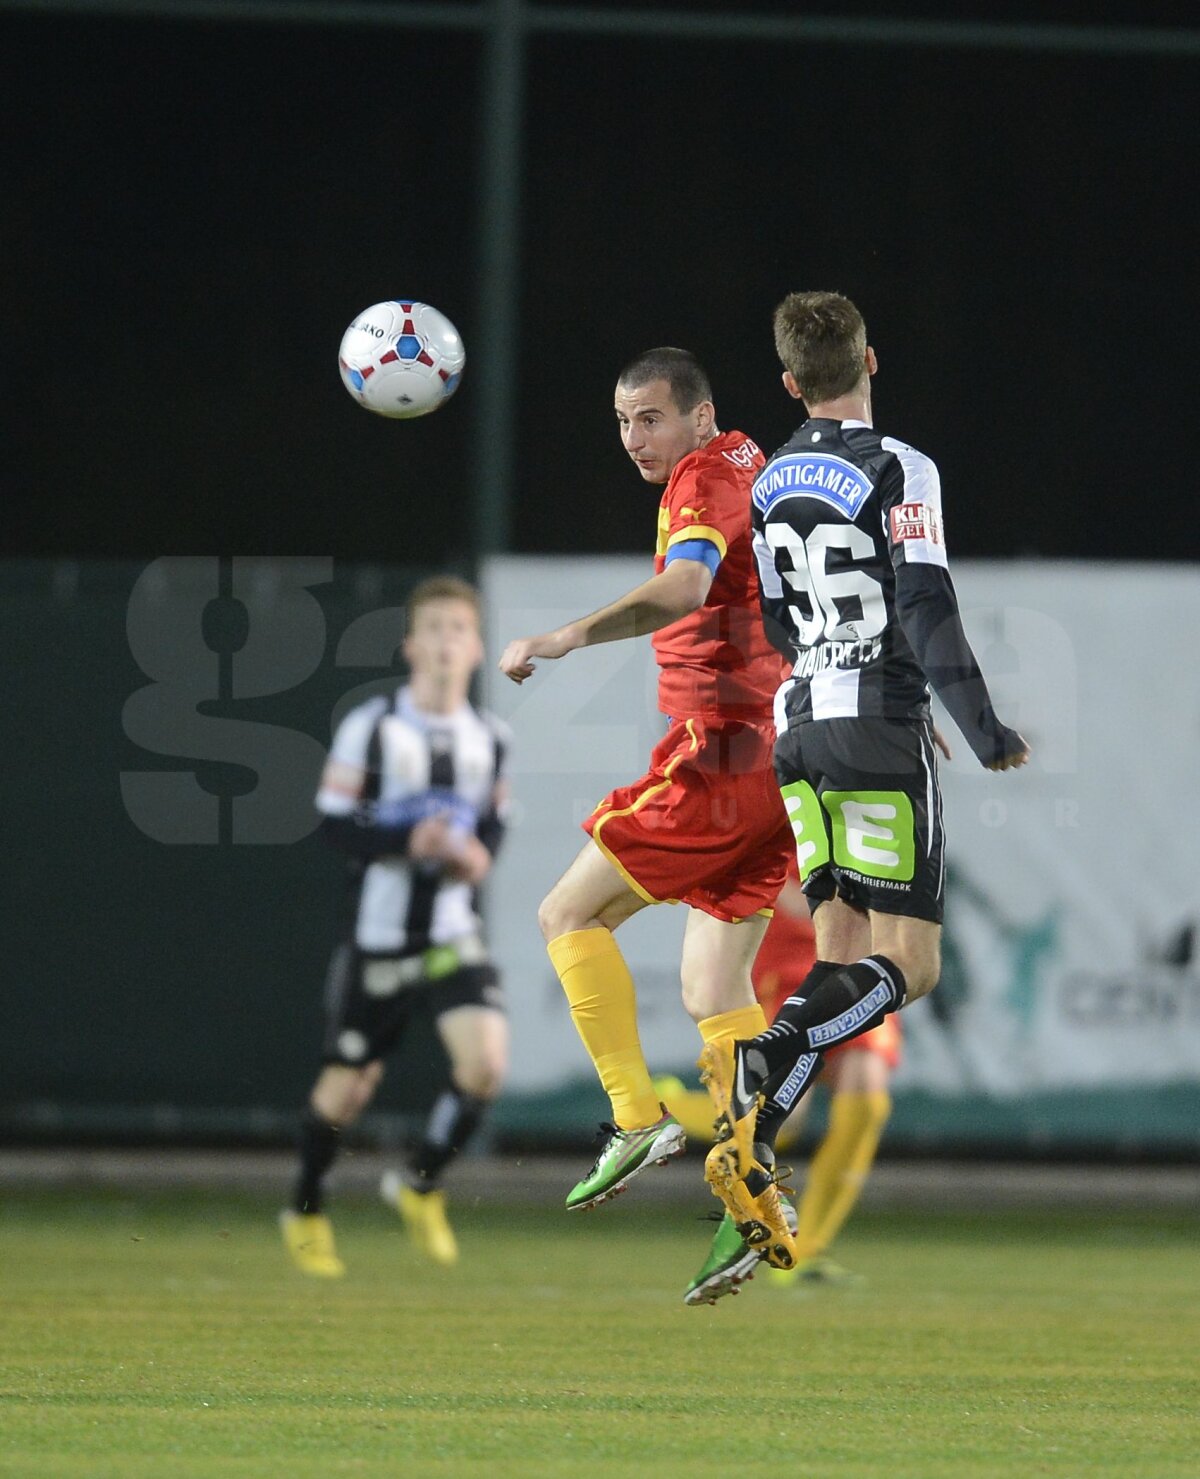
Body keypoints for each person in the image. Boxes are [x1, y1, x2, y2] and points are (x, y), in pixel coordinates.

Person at [699, 290, 1030, 1252]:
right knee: (913, 964)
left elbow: (772, 622)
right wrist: (981, 726)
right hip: (880, 723)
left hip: (798, 725)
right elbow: (924, 601)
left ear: (792, 383)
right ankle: (769, 1056)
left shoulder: (766, 481)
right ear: (872, 362)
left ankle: (752, 1141)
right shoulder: (901, 465)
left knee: (842, 949)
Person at [498, 347, 800, 1295]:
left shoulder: (704, 477)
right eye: (624, 421)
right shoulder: (752, 458)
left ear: (701, 416)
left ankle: (636, 1117)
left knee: (565, 914)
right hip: (786, 757)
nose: (636, 439)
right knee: (715, 986)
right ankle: (756, 1200)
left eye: (653, 418)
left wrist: (567, 634)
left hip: (722, 753)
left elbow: (686, 586)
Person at [281, 576, 511, 1278]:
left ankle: (419, 1183)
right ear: (411, 644)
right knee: (347, 1088)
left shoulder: (490, 738)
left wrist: (474, 857)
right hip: (378, 936)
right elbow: (330, 819)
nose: (446, 642)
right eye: (433, 628)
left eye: (459, 629)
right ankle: (307, 1206)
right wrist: (405, 843)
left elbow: (491, 830)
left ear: (476, 647)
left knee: (485, 1065)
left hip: (448, 935)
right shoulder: (374, 724)